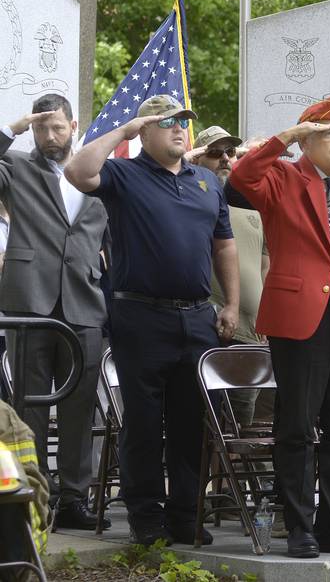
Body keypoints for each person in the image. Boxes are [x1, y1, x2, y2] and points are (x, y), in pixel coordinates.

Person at [64, 94, 240, 547]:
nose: (179, 128)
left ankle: (185, 515)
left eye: (183, 121)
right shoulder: (124, 174)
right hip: (140, 314)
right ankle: (146, 517)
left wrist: (232, 304)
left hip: (197, 317)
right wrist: (123, 130)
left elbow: (224, 245)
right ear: (144, 131)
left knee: (191, 422)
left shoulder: (206, 181)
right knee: (144, 423)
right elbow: (78, 172)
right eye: (167, 122)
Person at [228, 97, 330, 559]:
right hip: (299, 319)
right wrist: (288, 138)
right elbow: (240, 177)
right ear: (307, 140)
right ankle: (299, 527)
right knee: (296, 427)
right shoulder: (282, 177)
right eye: (329, 134)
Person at [0, 95, 109, 531]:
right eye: (43, 129)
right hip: (30, 302)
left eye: (57, 128)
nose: (49, 136)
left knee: (80, 408)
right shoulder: (17, 168)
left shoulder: (97, 172)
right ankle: (31, 497)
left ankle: (74, 499)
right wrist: (14, 129)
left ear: (74, 125)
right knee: (29, 405)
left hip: (84, 302)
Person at [190, 126, 268, 428]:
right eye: (214, 153)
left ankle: (236, 478)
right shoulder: (191, 203)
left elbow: (266, 267)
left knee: (244, 427)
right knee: (209, 427)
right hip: (212, 330)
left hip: (255, 335)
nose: (225, 159)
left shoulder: (251, 206)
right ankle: (208, 478)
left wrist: (267, 317)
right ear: (197, 159)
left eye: (230, 152)